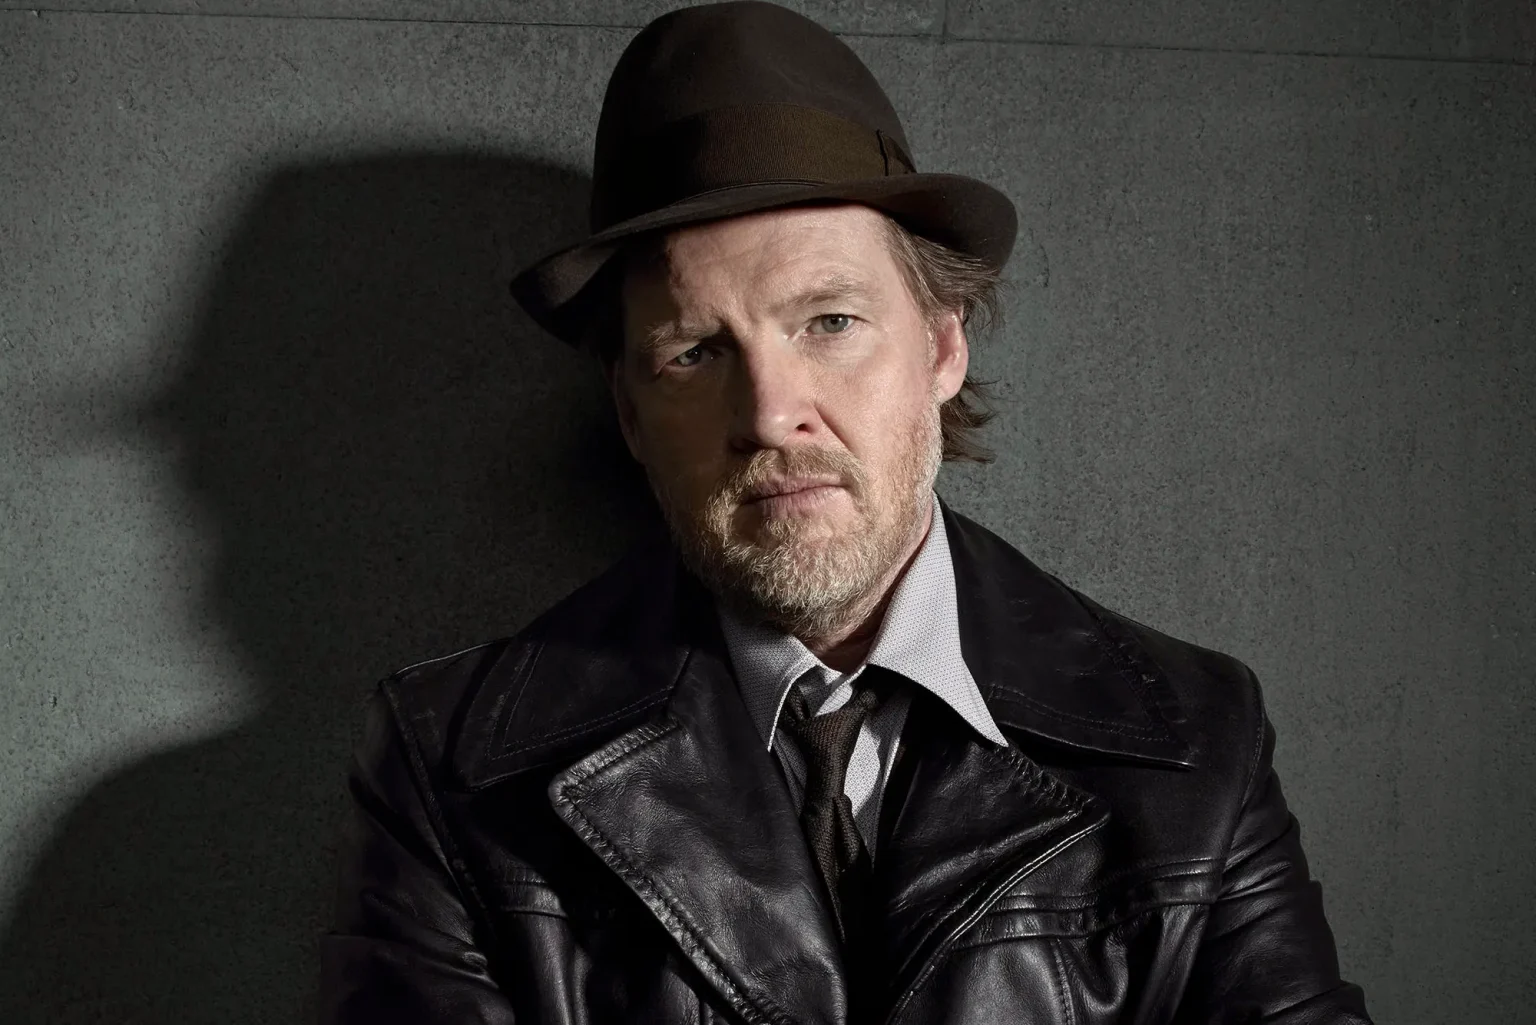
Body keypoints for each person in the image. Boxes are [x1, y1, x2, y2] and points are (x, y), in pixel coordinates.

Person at [318, 3, 1373, 1022]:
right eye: (696, 351)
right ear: (630, 412)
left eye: (829, 321)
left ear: (943, 346)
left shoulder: (1195, 742)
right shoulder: (454, 767)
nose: (770, 414)